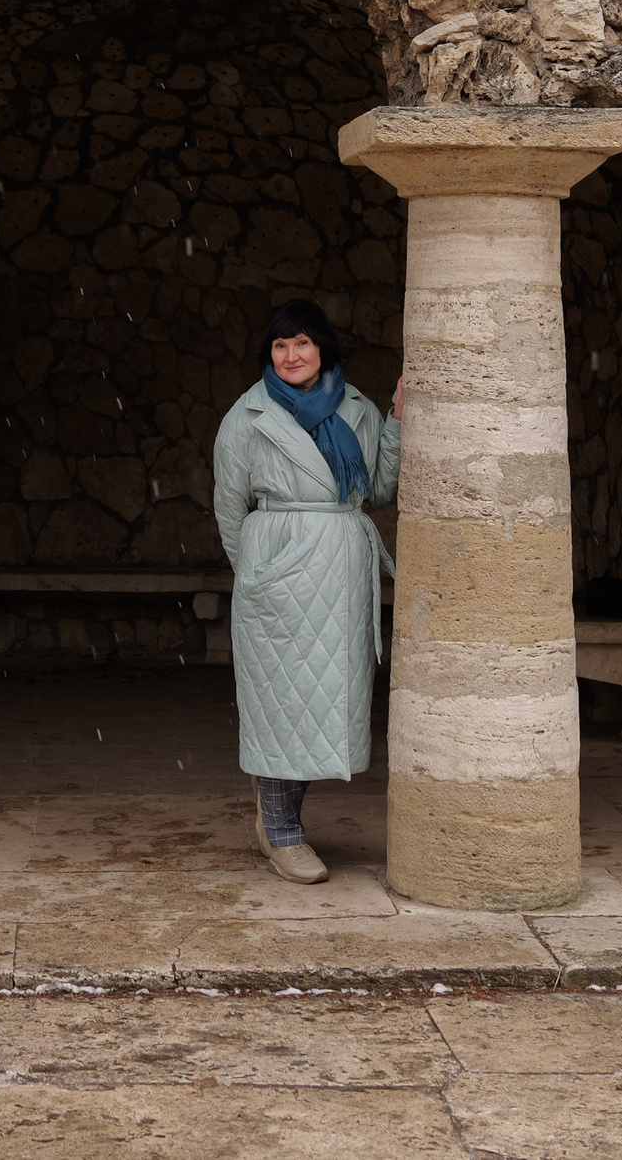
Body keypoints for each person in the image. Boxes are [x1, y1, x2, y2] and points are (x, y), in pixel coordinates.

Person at [210, 299, 401, 883]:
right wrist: (258, 576)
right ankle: (283, 830)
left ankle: (279, 814)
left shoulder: (359, 408)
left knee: (322, 706)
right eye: (279, 346)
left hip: (340, 573)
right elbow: (228, 507)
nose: (290, 356)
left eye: (302, 344)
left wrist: (396, 421)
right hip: (280, 567)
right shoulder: (247, 416)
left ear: (322, 349)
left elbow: (382, 487)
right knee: (280, 703)